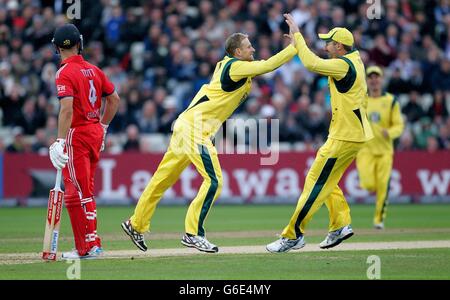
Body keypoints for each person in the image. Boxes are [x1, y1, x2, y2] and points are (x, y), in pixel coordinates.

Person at [121, 31, 298, 253]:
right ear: (238, 52)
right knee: (214, 181)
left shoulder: (230, 66)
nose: (253, 49)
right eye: (249, 46)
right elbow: (268, 65)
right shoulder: (235, 66)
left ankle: (135, 223)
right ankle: (193, 233)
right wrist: (295, 45)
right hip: (195, 129)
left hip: (186, 125)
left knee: (162, 180)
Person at [266, 14, 373, 253]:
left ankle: (293, 235)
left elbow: (312, 64)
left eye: (328, 42)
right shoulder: (354, 59)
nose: (325, 45)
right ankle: (340, 225)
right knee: (326, 181)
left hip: (344, 136)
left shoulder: (343, 64)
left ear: (339, 46)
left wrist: (297, 36)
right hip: (350, 134)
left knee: (315, 184)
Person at [48, 24, 120, 259]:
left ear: (57, 47)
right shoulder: (94, 70)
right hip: (93, 132)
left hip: (76, 133)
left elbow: (66, 110)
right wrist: (103, 127)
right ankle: (93, 243)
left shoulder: (64, 72)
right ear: (79, 44)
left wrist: (59, 140)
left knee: (74, 193)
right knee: (86, 191)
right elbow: (114, 100)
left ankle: (85, 248)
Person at [356, 66, 404, 229]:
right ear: (367, 80)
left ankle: (378, 220)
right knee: (368, 184)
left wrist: (389, 132)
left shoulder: (391, 101)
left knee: (383, 186)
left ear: (382, 80)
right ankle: (375, 189)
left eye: (377, 77)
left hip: (384, 151)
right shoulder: (362, 99)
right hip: (365, 150)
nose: (374, 80)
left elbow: (399, 125)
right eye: (371, 77)